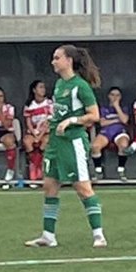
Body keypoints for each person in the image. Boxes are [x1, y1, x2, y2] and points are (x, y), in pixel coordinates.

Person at [24, 46, 107, 248]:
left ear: (68, 60)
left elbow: (94, 116)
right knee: (50, 186)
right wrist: (50, 120)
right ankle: (48, 236)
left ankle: (99, 235)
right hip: (56, 142)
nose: (53, 62)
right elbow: (62, 111)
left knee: (82, 187)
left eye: (57, 58)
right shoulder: (60, 84)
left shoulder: (81, 86)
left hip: (73, 142)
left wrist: (71, 121)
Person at [90, 87, 133, 181]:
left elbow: (125, 120)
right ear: (109, 96)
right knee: (95, 146)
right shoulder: (104, 108)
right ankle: (98, 171)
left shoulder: (124, 108)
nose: (115, 97)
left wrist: (117, 106)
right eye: (112, 95)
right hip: (106, 132)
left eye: (117, 95)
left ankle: (121, 171)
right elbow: (102, 123)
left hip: (120, 131)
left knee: (123, 145)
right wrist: (117, 120)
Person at [23, 80, 54, 184]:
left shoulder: (49, 103)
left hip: (45, 132)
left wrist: (39, 136)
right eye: (40, 87)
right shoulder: (29, 105)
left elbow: (48, 122)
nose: (43, 90)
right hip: (33, 132)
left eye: (43, 87)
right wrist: (34, 133)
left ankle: (38, 170)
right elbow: (28, 122)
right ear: (34, 90)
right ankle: (33, 167)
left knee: (46, 141)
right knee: (27, 141)